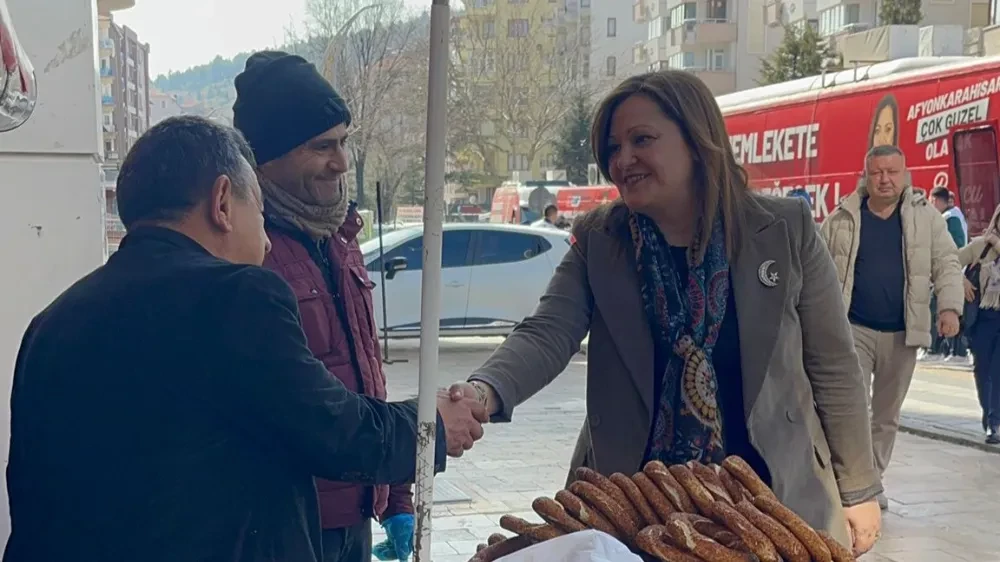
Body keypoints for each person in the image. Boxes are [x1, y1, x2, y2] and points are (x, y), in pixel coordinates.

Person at [4, 116, 487, 562]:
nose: (269, 239)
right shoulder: (237, 296)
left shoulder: (52, 322)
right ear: (221, 203)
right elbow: (339, 432)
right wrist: (431, 422)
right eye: (257, 208)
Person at [450, 71, 882, 556]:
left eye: (642, 140)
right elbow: (546, 333)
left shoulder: (785, 229)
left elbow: (834, 367)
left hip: (772, 505)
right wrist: (483, 392)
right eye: (612, 147)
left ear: (697, 141)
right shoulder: (600, 242)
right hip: (637, 510)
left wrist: (860, 490)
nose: (622, 159)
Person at [232, 51, 412, 562]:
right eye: (322, 146)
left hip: (357, 509)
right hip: (283, 525)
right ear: (266, 156)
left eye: (344, 142)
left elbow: (367, 372)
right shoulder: (246, 251)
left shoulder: (340, 235)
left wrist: (397, 493)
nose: (341, 162)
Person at [820, 145, 963, 510]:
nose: (884, 179)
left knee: (886, 414)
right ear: (866, 174)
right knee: (850, 408)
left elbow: (946, 262)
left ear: (905, 174)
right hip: (853, 328)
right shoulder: (843, 217)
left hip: (903, 331)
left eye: (892, 172)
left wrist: (949, 308)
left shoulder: (925, 218)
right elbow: (815, 269)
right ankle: (849, 479)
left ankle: (872, 480)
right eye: (877, 172)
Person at [958, 204, 1000, 444]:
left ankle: (995, 423)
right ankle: (989, 418)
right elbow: (947, 262)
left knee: (997, 371)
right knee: (983, 371)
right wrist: (961, 280)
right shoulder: (981, 246)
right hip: (983, 318)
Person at [925, 186, 969, 362]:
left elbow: (955, 248)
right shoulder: (948, 217)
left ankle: (941, 350)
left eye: (931, 200)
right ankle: (941, 349)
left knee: (944, 309)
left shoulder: (950, 218)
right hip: (949, 273)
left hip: (951, 274)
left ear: (936, 200)